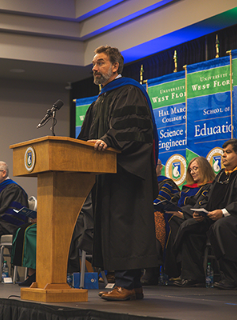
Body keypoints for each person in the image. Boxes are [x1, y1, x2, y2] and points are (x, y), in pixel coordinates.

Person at [77, 45, 159, 301]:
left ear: (115, 66)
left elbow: (130, 130)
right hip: (110, 175)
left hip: (127, 173)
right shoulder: (99, 100)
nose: (94, 68)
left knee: (127, 229)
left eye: (100, 62)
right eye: (94, 63)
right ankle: (131, 285)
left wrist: (109, 140)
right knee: (120, 229)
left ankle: (125, 283)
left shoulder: (130, 91)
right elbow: (86, 138)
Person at [172, 139, 237, 289]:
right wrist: (202, 212)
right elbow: (210, 198)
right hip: (222, 220)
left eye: (228, 152)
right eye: (222, 153)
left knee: (222, 225)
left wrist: (224, 213)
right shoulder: (222, 175)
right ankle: (193, 277)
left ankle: (234, 278)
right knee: (190, 226)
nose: (223, 156)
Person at [161, 156, 216, 279]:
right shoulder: (187, 188)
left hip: (200, 221)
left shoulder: (210, 187)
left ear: (205, 168)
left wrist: (183, 214)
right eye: (191, 170)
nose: (193, 172)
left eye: (196, 168)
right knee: (164, 218)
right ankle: (169, 265)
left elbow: (203, 206)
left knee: (174, 221)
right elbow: (174, 202)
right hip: (181, 218)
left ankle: (171, 263)